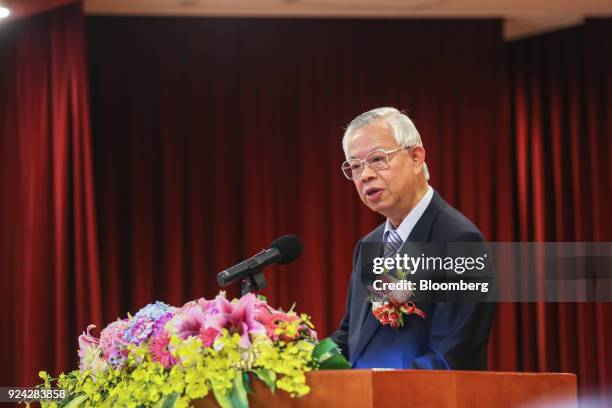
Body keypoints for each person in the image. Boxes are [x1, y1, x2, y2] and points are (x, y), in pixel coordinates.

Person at [331, 107, 496, 369]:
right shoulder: (369, 246)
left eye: (377, 159)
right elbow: (352, 338)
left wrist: (381, 390)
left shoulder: (460, 242)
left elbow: (451, 357)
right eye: (355, 166)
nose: (365, 175)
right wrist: (297, 357)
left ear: (416, 157)